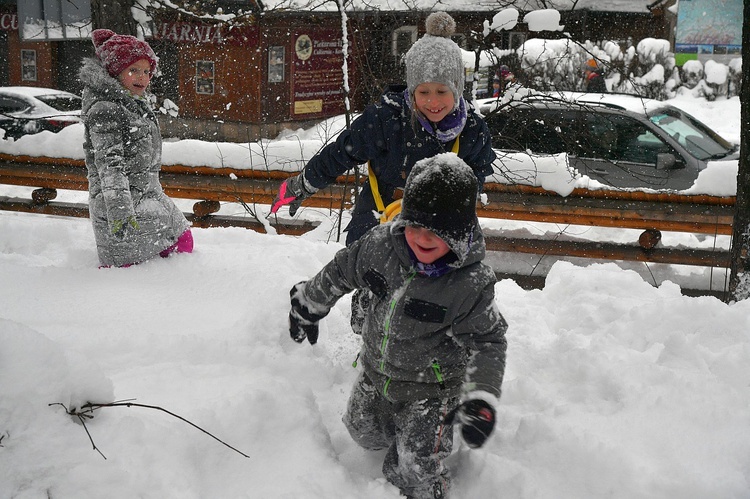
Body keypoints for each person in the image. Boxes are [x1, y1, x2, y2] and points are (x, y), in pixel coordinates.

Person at [286, 153, 508, 499]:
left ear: (461, 232)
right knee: (362, 432)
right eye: (414, 225)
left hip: (431, 390)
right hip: (377, 371)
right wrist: (309, 303)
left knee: (415, 468)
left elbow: (489, 340)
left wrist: (480, 396)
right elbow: (342, 269)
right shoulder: (381, 246)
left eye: (437, 232)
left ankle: (428, 480)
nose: (421, 238)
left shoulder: (470, 283)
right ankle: (400, 434)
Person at [270, 11, 496, 246]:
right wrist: (305, 183)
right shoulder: (388, 120)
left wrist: (460, 198)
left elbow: (478, 169)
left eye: (442, 91)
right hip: (378, 219)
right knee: (369, 276)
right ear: (411, 91)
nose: (433, 102)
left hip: (442, 227)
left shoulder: (471, 129)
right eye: (423, 92)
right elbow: (342, 152)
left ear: (457, 90)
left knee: (442, 279)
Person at [79, 29, 193, 268]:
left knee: (183, 241)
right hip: (119, 204)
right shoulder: (106, 109)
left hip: (147, 195)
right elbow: (110, 166)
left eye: (146, 71)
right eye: (133, 71)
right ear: (115, 72)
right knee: (128, 272)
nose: (142, 78)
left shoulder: (134, 104)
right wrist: (120, 212)